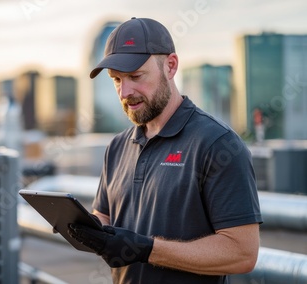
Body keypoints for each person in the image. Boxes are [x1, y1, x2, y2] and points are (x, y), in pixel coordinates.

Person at [68, 17, 262, 283]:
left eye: (136, 76)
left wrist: (147, 249)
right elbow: (104, 216)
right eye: (116, 80)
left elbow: (242, 254)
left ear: (170, 66)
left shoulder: (218, 143)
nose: (125, 92)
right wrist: (83, 227)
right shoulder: (116, 147)